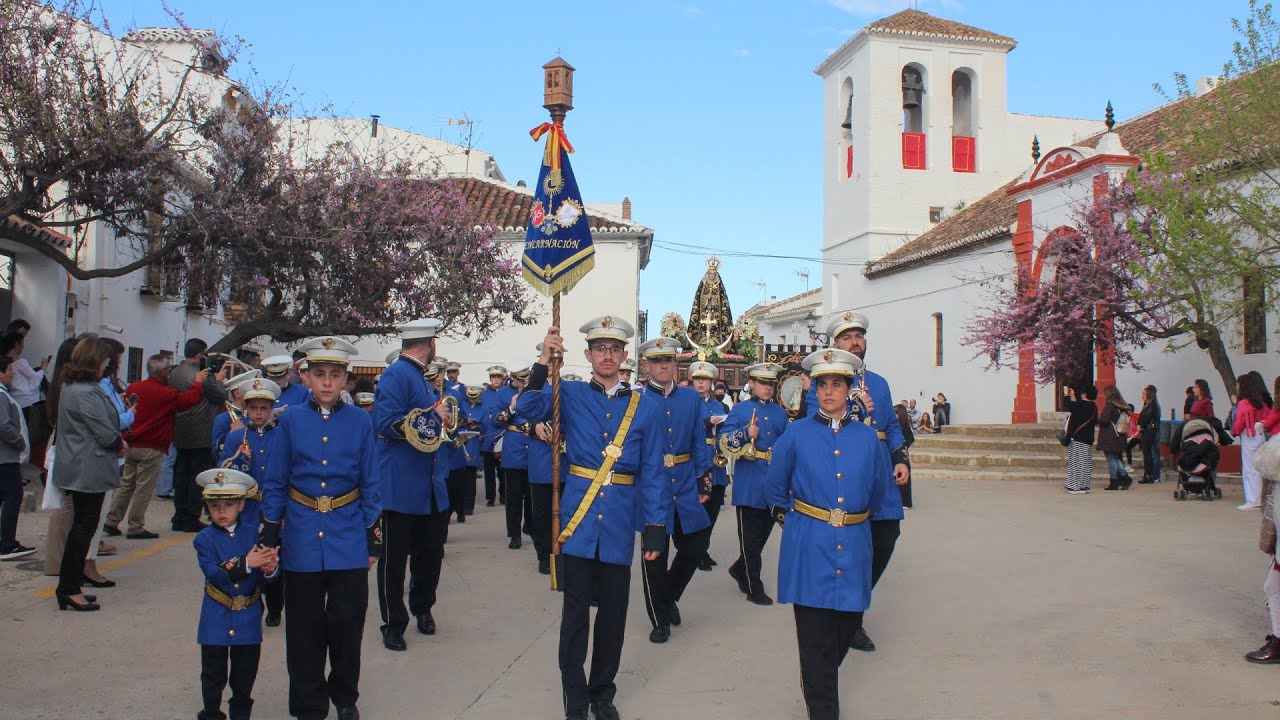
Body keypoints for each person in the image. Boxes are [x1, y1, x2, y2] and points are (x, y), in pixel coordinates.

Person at [517, 316, 666, 720]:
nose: (607, 356)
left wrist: (655, 529)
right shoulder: (570, 393)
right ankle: (575, 699)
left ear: (624, 356)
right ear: (587, 354)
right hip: (578, 523)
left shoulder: (646, 408)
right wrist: (543, 362)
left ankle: (603, 693)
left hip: (618, 525)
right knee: (575, 615)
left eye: (615, 349)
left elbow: (653, 472)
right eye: (600, 348)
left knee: (613, 618)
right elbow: (525, 409)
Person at [766, 347, 896, 720]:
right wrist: (790, 524)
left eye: (836, 384)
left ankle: (818, 686)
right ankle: (823, 711)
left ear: (849, 389)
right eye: (822, 384)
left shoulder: (868, 440)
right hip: (808, 544)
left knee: (846, 626)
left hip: (854, 545)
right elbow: (776, 490)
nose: (828, 392)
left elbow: (881, 494)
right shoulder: (795, 435)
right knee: (813, 637)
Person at [259, 336, 381, 720]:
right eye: (319, 374)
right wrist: (269, 532)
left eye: (335, 375)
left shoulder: (361, 421)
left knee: (347, 621)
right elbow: (276, 478)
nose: (327, 382)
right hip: (302, 531)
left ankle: (345, 695)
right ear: (305, 376)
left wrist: (371, 535)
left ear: (346, 379)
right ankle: (309, 702)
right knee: (305, 625)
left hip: (346, 532)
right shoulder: (290, 419)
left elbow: (371, 480)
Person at [817, 311, 910, 652]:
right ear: (835, 344)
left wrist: (900, 458)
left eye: (859, 336)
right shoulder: (826, 382)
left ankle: (852, 607)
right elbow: (817, 428)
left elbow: (894, 426)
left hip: (881, 475)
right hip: (843, 474)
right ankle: (846, 619)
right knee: (847, 547)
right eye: (847, 337)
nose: (855, 342)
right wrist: (853, 409)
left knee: (886, 538)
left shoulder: (881, 383)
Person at [373, 319, 451, 652]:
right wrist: (435, 416)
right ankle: (393, 622)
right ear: (430, 342)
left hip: (430, 485)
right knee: (394, 561)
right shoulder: (396, 375)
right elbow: (385, 424)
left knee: (430, 554)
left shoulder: (419, 378)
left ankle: (422, 607)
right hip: (401, 485)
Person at [635, 338, 713, 644]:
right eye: (656, 362)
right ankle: (660, 619)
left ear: (675, 364)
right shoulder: (637, 400)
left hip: (683, 482)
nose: (663, 366)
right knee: (655, 555)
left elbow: (699, 441)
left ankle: (666, 598)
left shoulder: (691, 400)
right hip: (651, 486)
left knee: (695, 546)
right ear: (647, 366)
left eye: (668, 360)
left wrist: (702, 479)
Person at [193, 467, 279, 720]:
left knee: (245, 671)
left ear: (242, 504)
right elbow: (213, 572)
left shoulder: (254, 533)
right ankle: (211, 712)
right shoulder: (204, 539)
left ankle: (241, 713)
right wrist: (247, 563)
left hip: (248, 614)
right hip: (216, 613)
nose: (221, 512)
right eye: (215, 505)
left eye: (229, 504)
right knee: (213, 670)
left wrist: (271, 568)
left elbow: (268, 575)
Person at [51, 337, 123, 612]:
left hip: (82, 465)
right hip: (87, 468)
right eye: (105, 360)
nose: (108, 365)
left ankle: (72, 584)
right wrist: (119, 444)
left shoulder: (76, 388)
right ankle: (68, 588)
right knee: (83, 527)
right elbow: (104, 431)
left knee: (83, 526)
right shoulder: (86, 393)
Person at [104, 354, 209, 539]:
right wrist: (198, 383)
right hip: (151, 447)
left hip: (133, 443)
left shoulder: (135, 387)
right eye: (168, 370)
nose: (170, 373)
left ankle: (112, 521)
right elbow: (188, 401)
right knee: (143, 488)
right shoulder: (165, 393)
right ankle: (135, 526)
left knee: (127, 484)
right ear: (162, 373)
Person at [720, 361, 789, 606]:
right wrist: (744, 433)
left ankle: (740, 569)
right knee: (749, 540)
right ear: (751, 383)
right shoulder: (740, 410)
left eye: (770, 383)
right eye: (762, 383)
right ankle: (753, 586)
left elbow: (787, 447)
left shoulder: (780, 413)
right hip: (749, 481)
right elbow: (724, 440)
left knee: (761, 537)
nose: (767, 388)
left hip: (773, 481)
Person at [219, 376, 284, 628]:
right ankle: (255, 604)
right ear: (246, 408)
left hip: (273, 507)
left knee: (275, 556)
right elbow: (223, 471)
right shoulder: (237, 438)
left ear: (271, 409)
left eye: (264, 408)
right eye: (253, 408)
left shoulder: (280, 435)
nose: (258, 414)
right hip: (247, 509)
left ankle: (276, 605)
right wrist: (238, 458)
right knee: (248, 556)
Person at [170, 339, 229, 533]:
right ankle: (191, 517)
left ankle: (179, 515)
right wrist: (218, 380)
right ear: (199, 356)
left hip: (180, 431)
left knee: (181, 475)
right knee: (198, 478)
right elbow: (220, 395)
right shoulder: (202, 376)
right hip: (201, 431)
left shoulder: (174, 372)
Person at [690, 361, 729, 572]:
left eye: (704, 379)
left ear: (712, 383)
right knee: (699, 510)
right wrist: (707, 422)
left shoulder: (719, 405)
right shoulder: (688, 402)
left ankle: (702, 550)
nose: (700, 383)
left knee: (712, 511)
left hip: (716, 461)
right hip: (698, 461)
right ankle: (697, 552)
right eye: (697, 379)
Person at [0, 356, 34, 560]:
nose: (12, 372)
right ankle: (7, 543)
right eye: (9, 369)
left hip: (6, 455)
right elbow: (3, 425)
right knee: (13, 496)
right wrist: (19, 441)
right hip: (5, 456)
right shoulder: (1, 396)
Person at [499, 363, 534, 549]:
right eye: (520, 379)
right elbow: (496, 421)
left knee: (532, 494)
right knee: (513, 496)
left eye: (526, 378)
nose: (524, 382)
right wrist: (511, 408)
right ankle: (514, 533)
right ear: (513, 378)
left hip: (533, 448)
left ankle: (530, 526)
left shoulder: (534, 391)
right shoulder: (503, 393)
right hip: (514, 449)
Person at [1234, 372, 1272, 510]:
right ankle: (1260, 498)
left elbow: (1239, 423)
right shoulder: (1261, 402)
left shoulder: (1244, 403)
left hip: (1249, 435)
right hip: (1261, 433)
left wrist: (1235, 431)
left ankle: (1253, 500)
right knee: (1260, 468)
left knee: (1250, 468)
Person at [1, 331, 49, 424]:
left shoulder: (4, 361)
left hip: (15, 400)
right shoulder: (21, 363)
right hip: (29, 402)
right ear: (16, 345)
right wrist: (43, 368)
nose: (23, 347)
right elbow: (35, 380)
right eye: (22, 344)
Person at [479, 365, 510, 508]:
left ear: (503, 378)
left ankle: (504, 495)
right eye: (493, 377)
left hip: (502, 436)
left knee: (503, 470)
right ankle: (490, 497)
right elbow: (483, 414)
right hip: (488, 437)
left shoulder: (506, 393)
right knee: (489, 471)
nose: (495, 379)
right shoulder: (484, 394)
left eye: (498, 377)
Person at [1062, 385, 1098, 494]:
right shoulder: (1093, 406)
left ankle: (1074, 486)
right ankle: (1084, 485)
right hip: (1087, 438)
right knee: (1085, 462)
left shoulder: (1082, 405)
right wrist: (1072, 396)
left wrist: (1066, 394)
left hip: (1077, 437)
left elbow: (1070, 406)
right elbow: (1076, 407)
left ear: (1085, 394)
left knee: (1076, 462)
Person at [1098, 385, 1133, 491]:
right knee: (1116, 458)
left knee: (1111, 459)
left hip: (1110, 435)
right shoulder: (1122, 406)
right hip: (1119, 435)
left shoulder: (1110, 406)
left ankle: (1114, 480)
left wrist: (1096, 420)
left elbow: (1105, 420)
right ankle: (1125, 477)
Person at [1137, 386, 1163, 484]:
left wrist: (1141, 425)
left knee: (1152, 454)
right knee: (1148, 454)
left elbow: (1147, 418)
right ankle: (1149, 474)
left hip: (1150, 432)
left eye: (1144, 393)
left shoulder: (1153, 406)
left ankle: (1153, 475)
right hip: (1146, 431)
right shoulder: (1146, 405)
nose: (1142, 395)